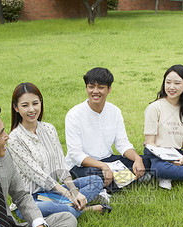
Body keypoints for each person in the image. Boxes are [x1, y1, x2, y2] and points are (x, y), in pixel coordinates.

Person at [8, 82, 110, 218]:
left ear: (41, 103)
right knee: (68, 212)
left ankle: (73, 203)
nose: (31, 110)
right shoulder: (14, 138)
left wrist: (73, 191)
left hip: (55, 191)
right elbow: (39, 176)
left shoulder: (49, 129)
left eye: (35, 103)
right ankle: (83, 208)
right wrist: (70, 194)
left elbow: (61, 165)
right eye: (25, 105)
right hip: (31, 199)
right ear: (16, 108)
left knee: (96, 181)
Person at [65, 67, 150, 195]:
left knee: (146, 160)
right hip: (82, 165)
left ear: (109, 89)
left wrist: (137, 159)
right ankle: (120, 182)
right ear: (86, 88)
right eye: (91, 87)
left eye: (100, 87)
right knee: (97, 176)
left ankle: (106, 186)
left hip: (108, 160)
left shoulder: (115, 111)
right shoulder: (74, 115)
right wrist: (103, 167)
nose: (95, 91)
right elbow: (76, 154)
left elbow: (122, 143)